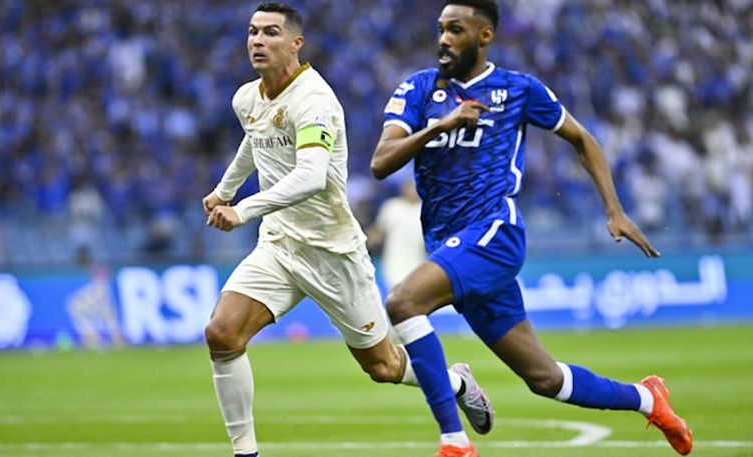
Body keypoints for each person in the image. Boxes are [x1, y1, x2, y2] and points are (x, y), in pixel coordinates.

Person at [370, 1, 693, 456]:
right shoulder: (420, 89)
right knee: (545, 379)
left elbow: (583, 138)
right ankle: (648, 399)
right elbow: (381, 162)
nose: (443, 39)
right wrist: (440, 126)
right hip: (450, 243)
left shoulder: (517, 89)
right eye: (441, 29)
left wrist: (614, 210)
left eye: (456, 30)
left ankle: (454, 442)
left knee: (403, 301)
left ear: (484, 36)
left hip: (494, 234)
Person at [202, 4, 493, 456]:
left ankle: (456, 383)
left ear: (296, 43)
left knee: (382, 366)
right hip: (279, 245)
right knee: (222, 334)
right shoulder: (247, 97)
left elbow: (311, 176)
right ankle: (246, 453)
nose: (258, 40)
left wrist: (244, 209)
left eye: (271, 33)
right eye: (253, 32)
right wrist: (224, 189)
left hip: (333, 252)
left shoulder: (314, 100)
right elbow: (255, 137)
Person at [367, 179, 426, 289]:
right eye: (409, 188)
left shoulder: (424, 209)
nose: (412, 191)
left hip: (418, 260)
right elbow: (378, 230)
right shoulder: (392, 207)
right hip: (393, 260)